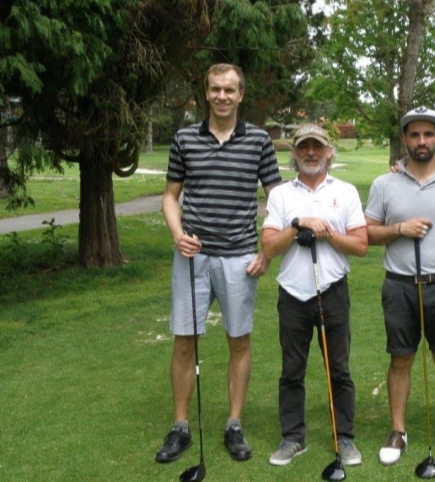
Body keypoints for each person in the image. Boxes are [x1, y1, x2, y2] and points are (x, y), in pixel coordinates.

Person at [155, 63, 282, 464]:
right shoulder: (185, 139)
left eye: (230, 90)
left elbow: (277, 201)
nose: (222, 96)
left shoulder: (259, 140)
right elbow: (170, 196)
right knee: (184, 341)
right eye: (215, 89)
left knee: (238, 340)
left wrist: (267, 251)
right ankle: (180, 426)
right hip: (192, 257)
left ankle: (234, 423)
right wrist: (177, 234)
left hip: (241, 257)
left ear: (241, 94)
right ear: (206, 93)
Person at [364, 106, 435, 468]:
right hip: (399, 285)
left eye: (428, 134)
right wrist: (399, 229)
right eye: (414, 135)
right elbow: (366, 232)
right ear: (405, 140)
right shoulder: (385, 184)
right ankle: (398, 430)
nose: (422, 141)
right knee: (401, 359)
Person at [261, 124, 368, 467]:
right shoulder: (280, 195)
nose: (310, 152)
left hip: (332, 291)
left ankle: (345, 438)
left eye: (317, 147)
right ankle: (293, 437)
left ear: (328, 152)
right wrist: (297, 226)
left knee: (338, 368)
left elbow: (361, 245)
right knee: (292, 370)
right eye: (303, 147)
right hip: (292, 293)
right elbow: (269, 247)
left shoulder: (346, 192)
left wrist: (326, 233)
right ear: (293, 153)